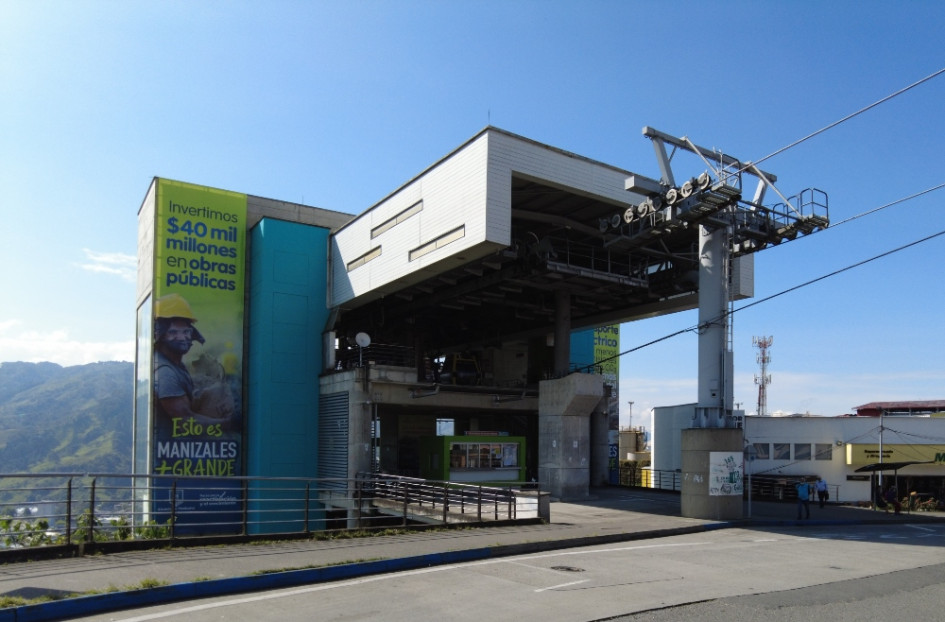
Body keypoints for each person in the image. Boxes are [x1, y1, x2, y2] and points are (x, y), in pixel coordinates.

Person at [153, 293, 233, 426]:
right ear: (161, 335)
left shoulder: (176, 364)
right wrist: (226, 424)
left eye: (186, 332)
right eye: (173, 332)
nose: (182, 337)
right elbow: (185, 419)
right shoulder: (166, 373)